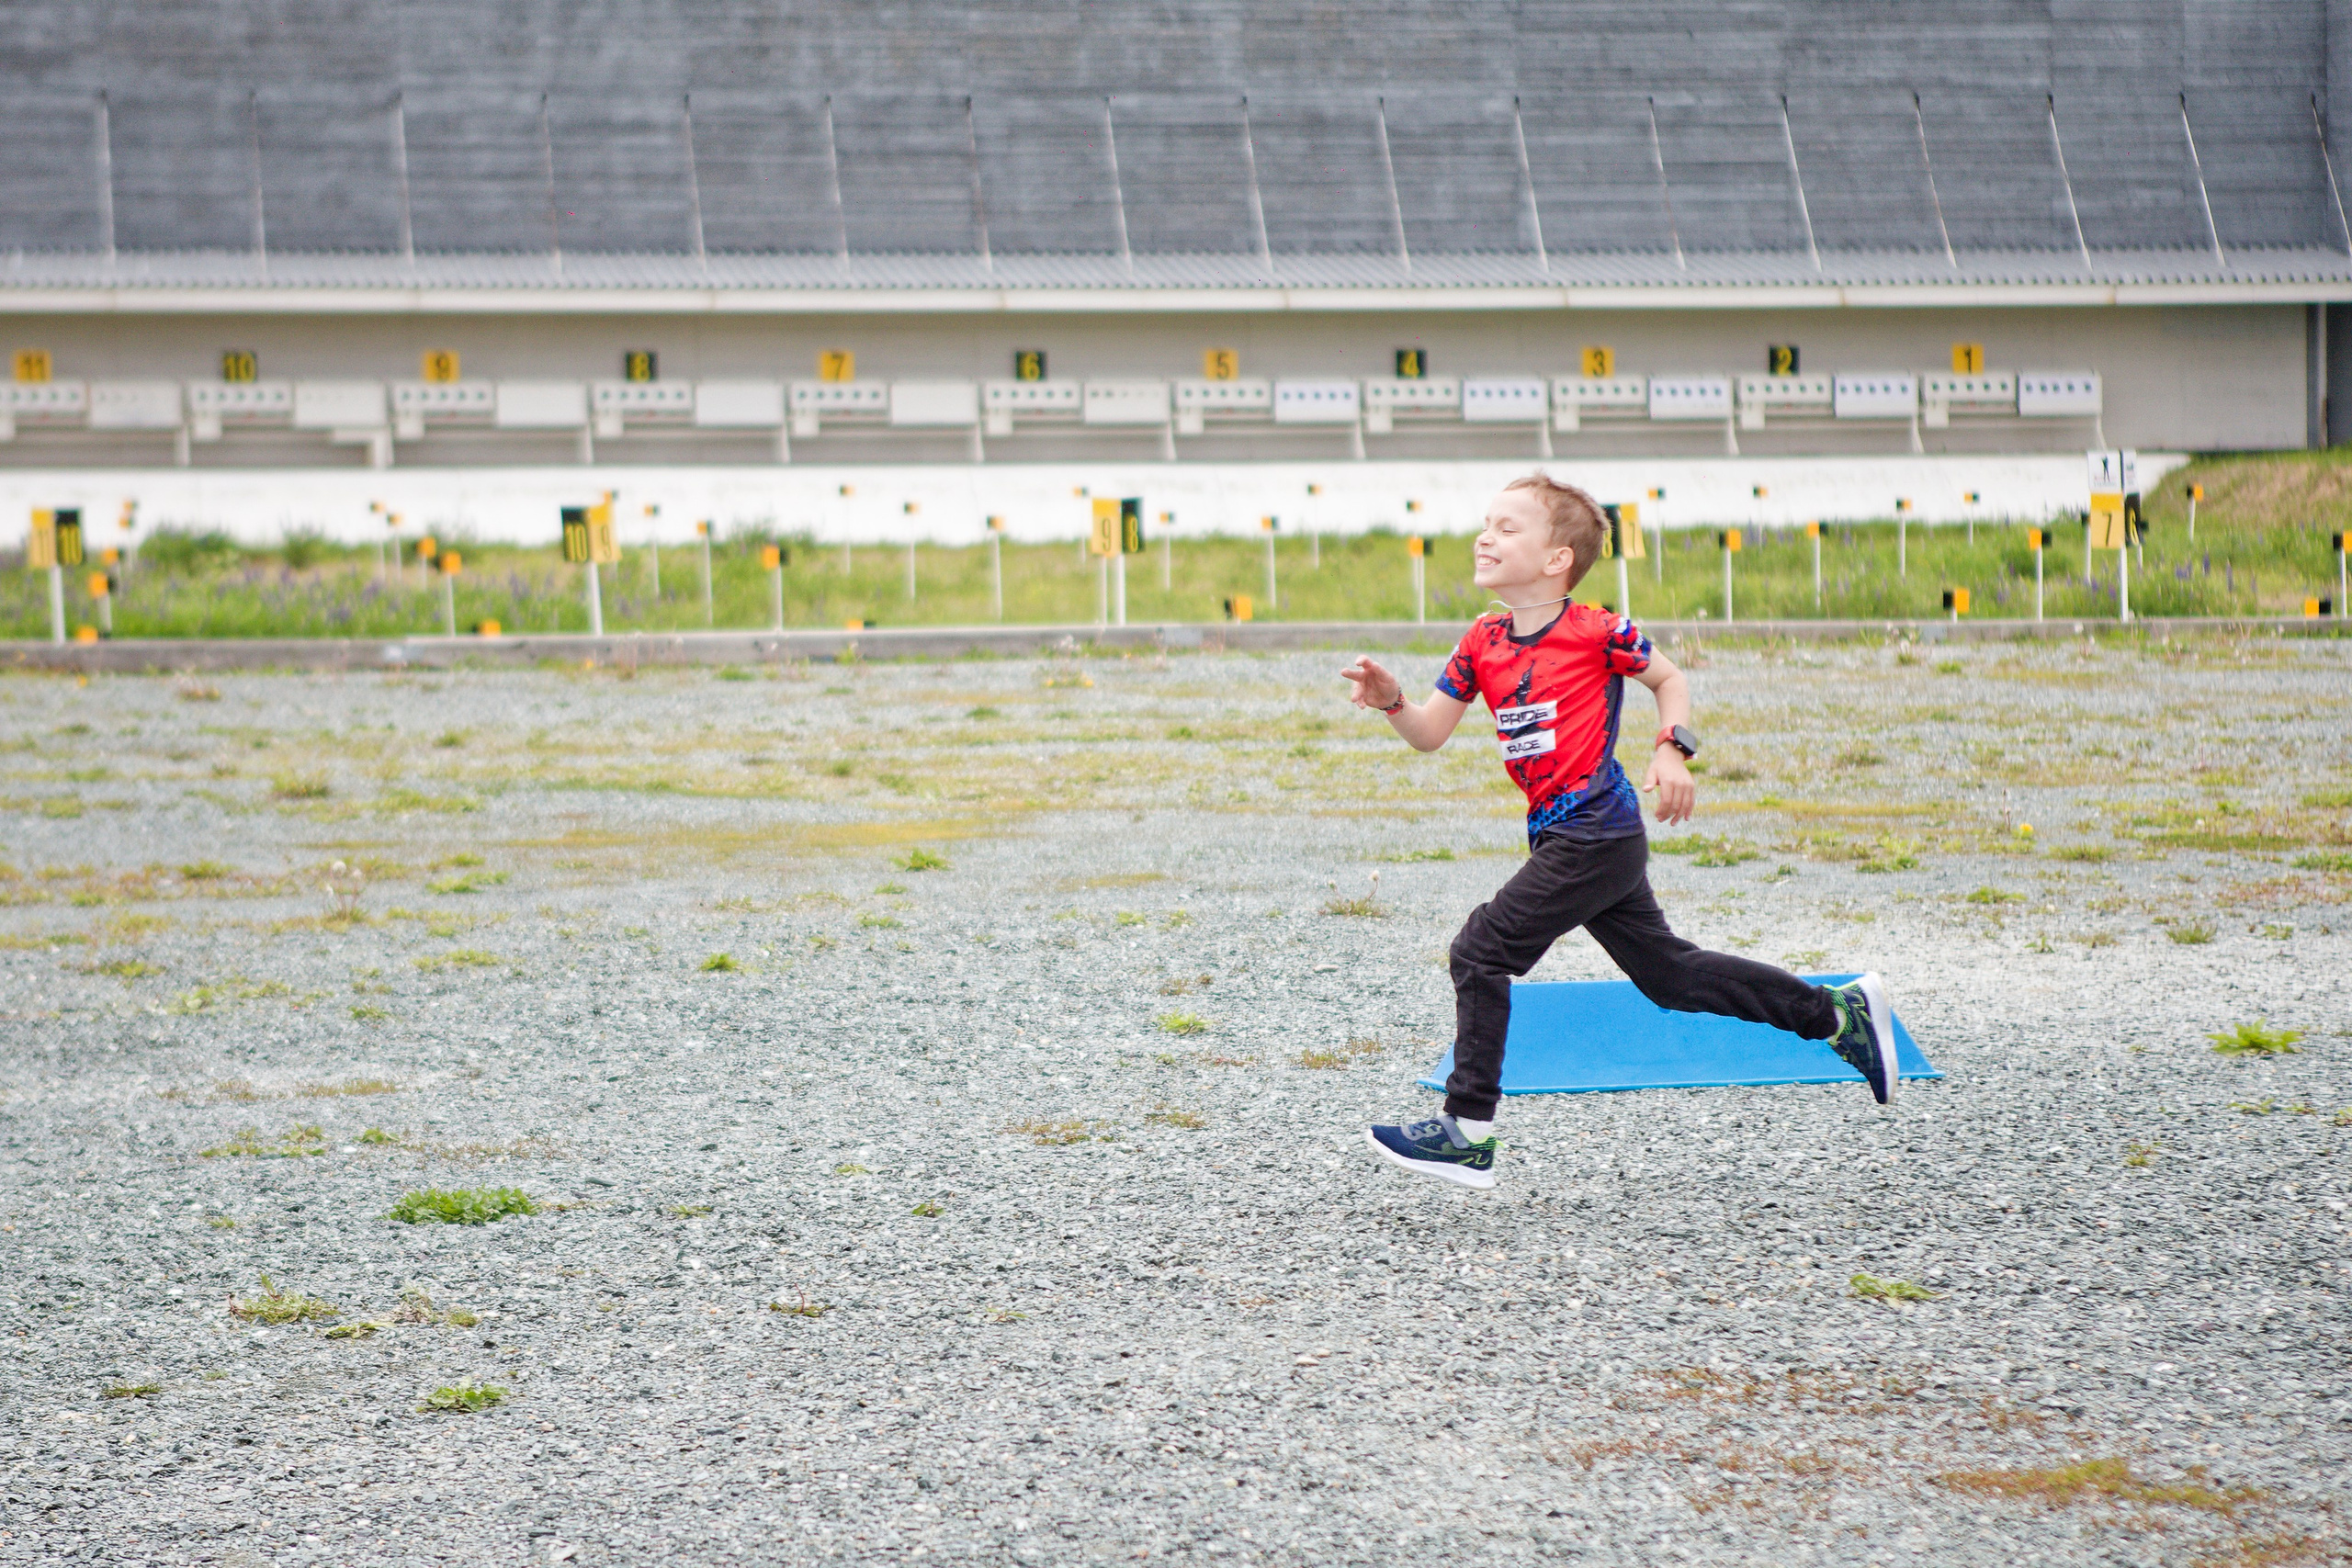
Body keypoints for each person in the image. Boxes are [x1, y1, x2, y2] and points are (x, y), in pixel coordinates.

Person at [1340, 474, 1897, 1192]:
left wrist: (1673, 749)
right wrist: (1392, 701)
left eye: (1508, 527)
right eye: (1486, 523)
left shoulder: (1599, 629)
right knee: (1670, 975)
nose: (1485, 536)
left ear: (1556, 560)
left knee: (1480, 949)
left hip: (1596, 831)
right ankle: (1837, 1012)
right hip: (1566, 838)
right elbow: (1430, 734)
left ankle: (1467, 1126)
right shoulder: (1482, 639)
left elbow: (1670, 680)